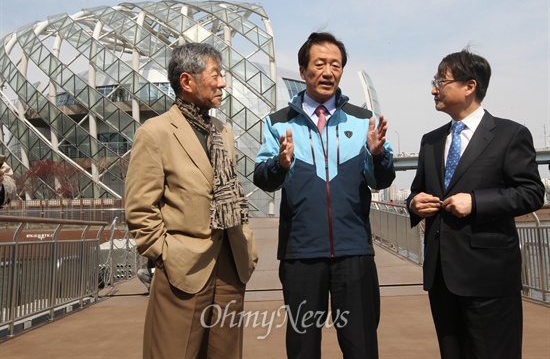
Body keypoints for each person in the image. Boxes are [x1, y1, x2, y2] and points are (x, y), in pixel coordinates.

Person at [254, 32, 395, 359]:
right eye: (319, 64)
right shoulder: (278, 123)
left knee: (361, 345)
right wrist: (280, 162)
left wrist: (377, 155)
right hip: (300, 253)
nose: (328, 72)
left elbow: (381, 180)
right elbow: (263, 179)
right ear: (303, 71)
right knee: (302, 347)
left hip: (354, 251)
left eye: (336, 65)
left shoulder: (363, 121)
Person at [407, 49, 545, 359]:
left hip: (489, 279)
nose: (433, 89)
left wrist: (477, 202)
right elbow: (415, 192)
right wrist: (415, 203)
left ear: (470, 86)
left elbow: (532, 192)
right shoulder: (430, 141)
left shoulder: (510, 135)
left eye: (440, 81)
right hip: (441, 278)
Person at [125, 42, 258, 359]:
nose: (222, 82)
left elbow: (230, 190)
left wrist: (247, 245)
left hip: (231, 264)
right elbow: (140, 207)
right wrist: (165, 254)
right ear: (187, 81)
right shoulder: (156, 132)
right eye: (216, 74)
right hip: (183, 269)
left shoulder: (222, 132)